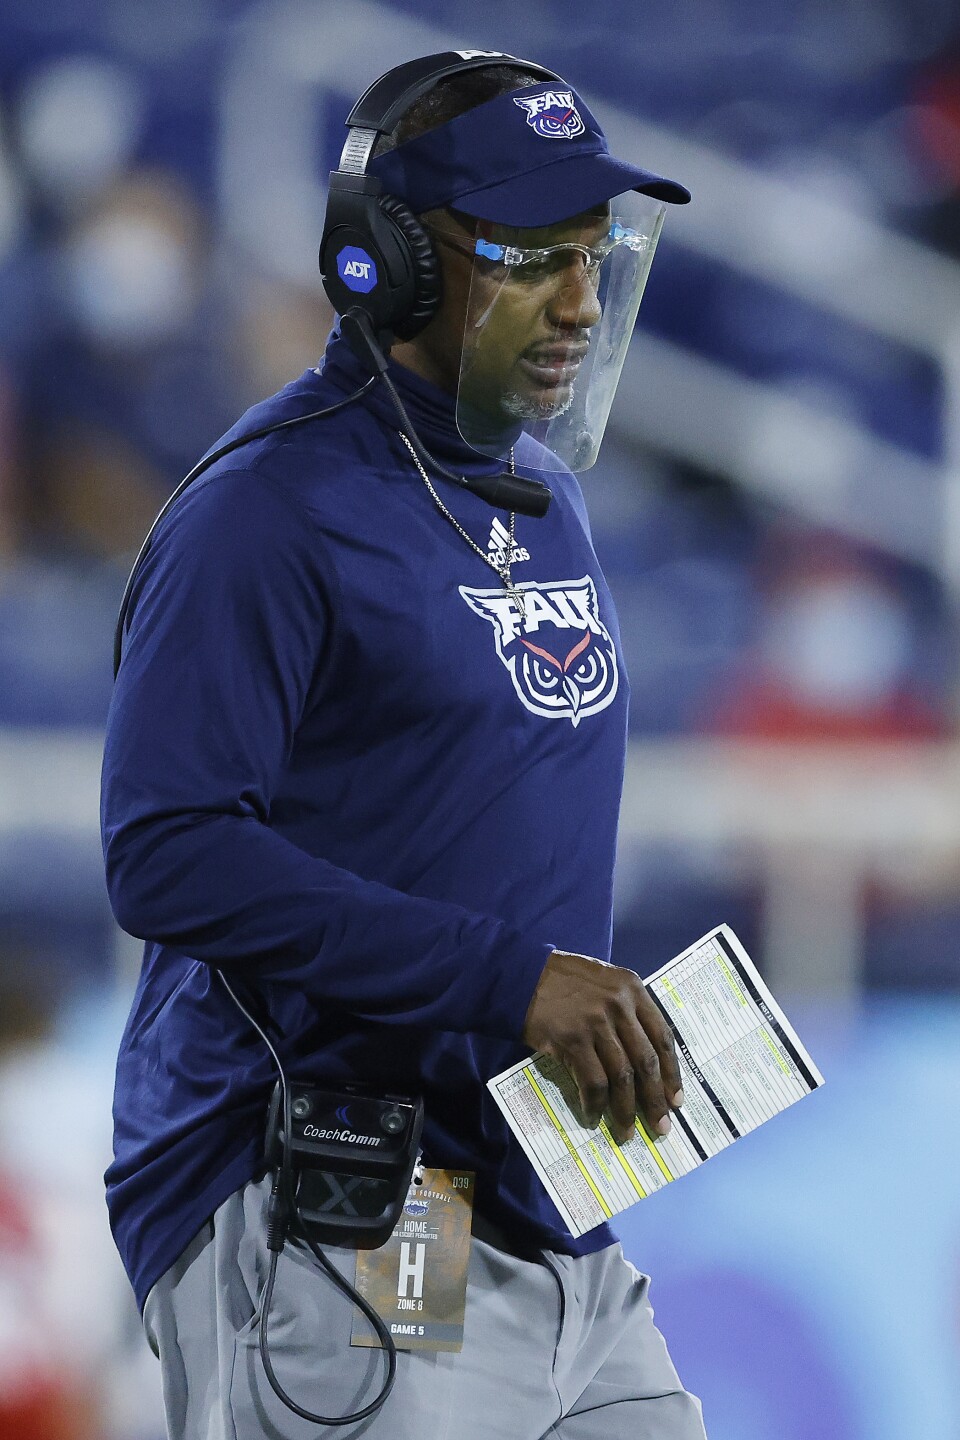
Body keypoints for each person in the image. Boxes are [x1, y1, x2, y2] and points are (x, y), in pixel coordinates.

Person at [101, 49, 706, 1440]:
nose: (581, 299)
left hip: (552, 1215)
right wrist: (516, 980)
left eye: (594, 254)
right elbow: (165, 852)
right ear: (392, 265)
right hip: (354, 1195)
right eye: (533, 257)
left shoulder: (545, 496)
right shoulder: (268, 510)